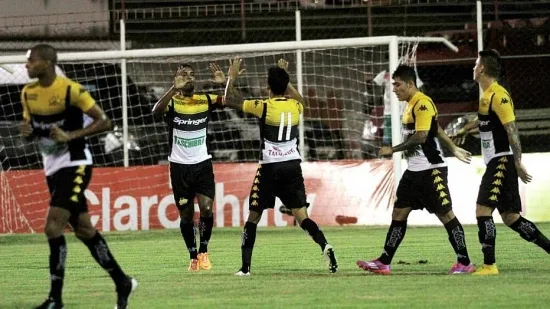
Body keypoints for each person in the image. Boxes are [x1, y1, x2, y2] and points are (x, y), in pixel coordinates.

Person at [19, 44, 137, 309]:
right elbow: (33, 132)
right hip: (51, 167)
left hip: (76, 163)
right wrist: (26, 133)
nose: (26, 66)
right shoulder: (28, 94)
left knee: (52, 227)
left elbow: (106, 122)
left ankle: (55, 300)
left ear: (47, 63)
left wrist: (70, 136)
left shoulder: (71, 90)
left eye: (31, 61)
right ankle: (122, 281)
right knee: (84, 230)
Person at [356, 65, 475, 275]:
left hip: (431, 170)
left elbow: (421, 136)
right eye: (393, 85)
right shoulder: (410, 104)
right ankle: (384, 261)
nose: (394, 89)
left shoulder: (422, 103)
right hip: (414, 172)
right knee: (399, 213)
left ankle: (464, 262)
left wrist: (392, 150)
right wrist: (453, 147)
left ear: (410, 84)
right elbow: (435, 128)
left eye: (397, 84)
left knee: (446, 215)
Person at [224, 57, 338, 275]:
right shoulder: (296, 106)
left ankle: (245, 268)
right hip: (292, 166)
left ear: (267, 86)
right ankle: (325, 245)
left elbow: (229, 99)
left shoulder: (264, 107)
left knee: (253, 217)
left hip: (270, 167)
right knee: (302, 216)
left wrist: (231, 78)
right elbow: (300, 99)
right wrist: (285, 79)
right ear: (285, 85)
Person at [452, 49, 550, 275]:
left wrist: (517, 162)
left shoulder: (499, 95)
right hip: (497, 161)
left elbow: (511, 129)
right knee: (511, 217)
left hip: (501, 160)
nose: (473, 67)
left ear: (483, 68)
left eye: (476, 64)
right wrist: (467, 128)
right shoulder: (487, 96)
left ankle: (489, 265)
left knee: (482, 210)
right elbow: (485, 119)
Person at [152, 63, 226, 271]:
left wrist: (225, 84)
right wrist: (173, 89)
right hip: (179, 168)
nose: (188, 78)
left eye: (192, 74)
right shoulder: (172, 102)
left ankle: (203, 251)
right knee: (186, 215)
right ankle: (192, 255)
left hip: (202, 164)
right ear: (175, 78)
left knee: (207, 208)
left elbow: (231, 101)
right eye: (183, 74)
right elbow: (156, 113)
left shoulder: (206, 99)